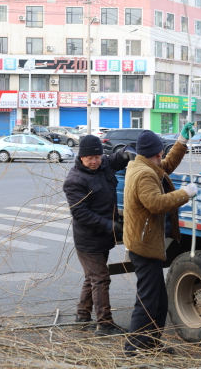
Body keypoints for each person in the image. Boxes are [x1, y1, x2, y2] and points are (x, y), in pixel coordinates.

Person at [123, 123, 198, 356]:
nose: (162, 157)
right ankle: (132, 348)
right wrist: (185, 193)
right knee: (147, 300)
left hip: (146, 241)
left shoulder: (143, 165)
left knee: (159, 300)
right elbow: (156, 203)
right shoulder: (144, 174)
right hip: (143, 245)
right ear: (156, 153)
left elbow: (165, 167)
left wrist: (181, 142)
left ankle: (151, 344)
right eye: (161, 154)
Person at [63, 135, 134, 337]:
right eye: (90, 158)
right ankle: (104, 325)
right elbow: (81, 214)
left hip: (103, 237)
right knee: (101, 279)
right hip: (89, 239)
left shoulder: (104, 164)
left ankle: (82, 316)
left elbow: (117, 158)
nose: (94, 161)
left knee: (92, 277)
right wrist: (111, 225)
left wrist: (127, 152)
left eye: (97, 156)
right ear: (81, 157)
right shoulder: (74, 181)